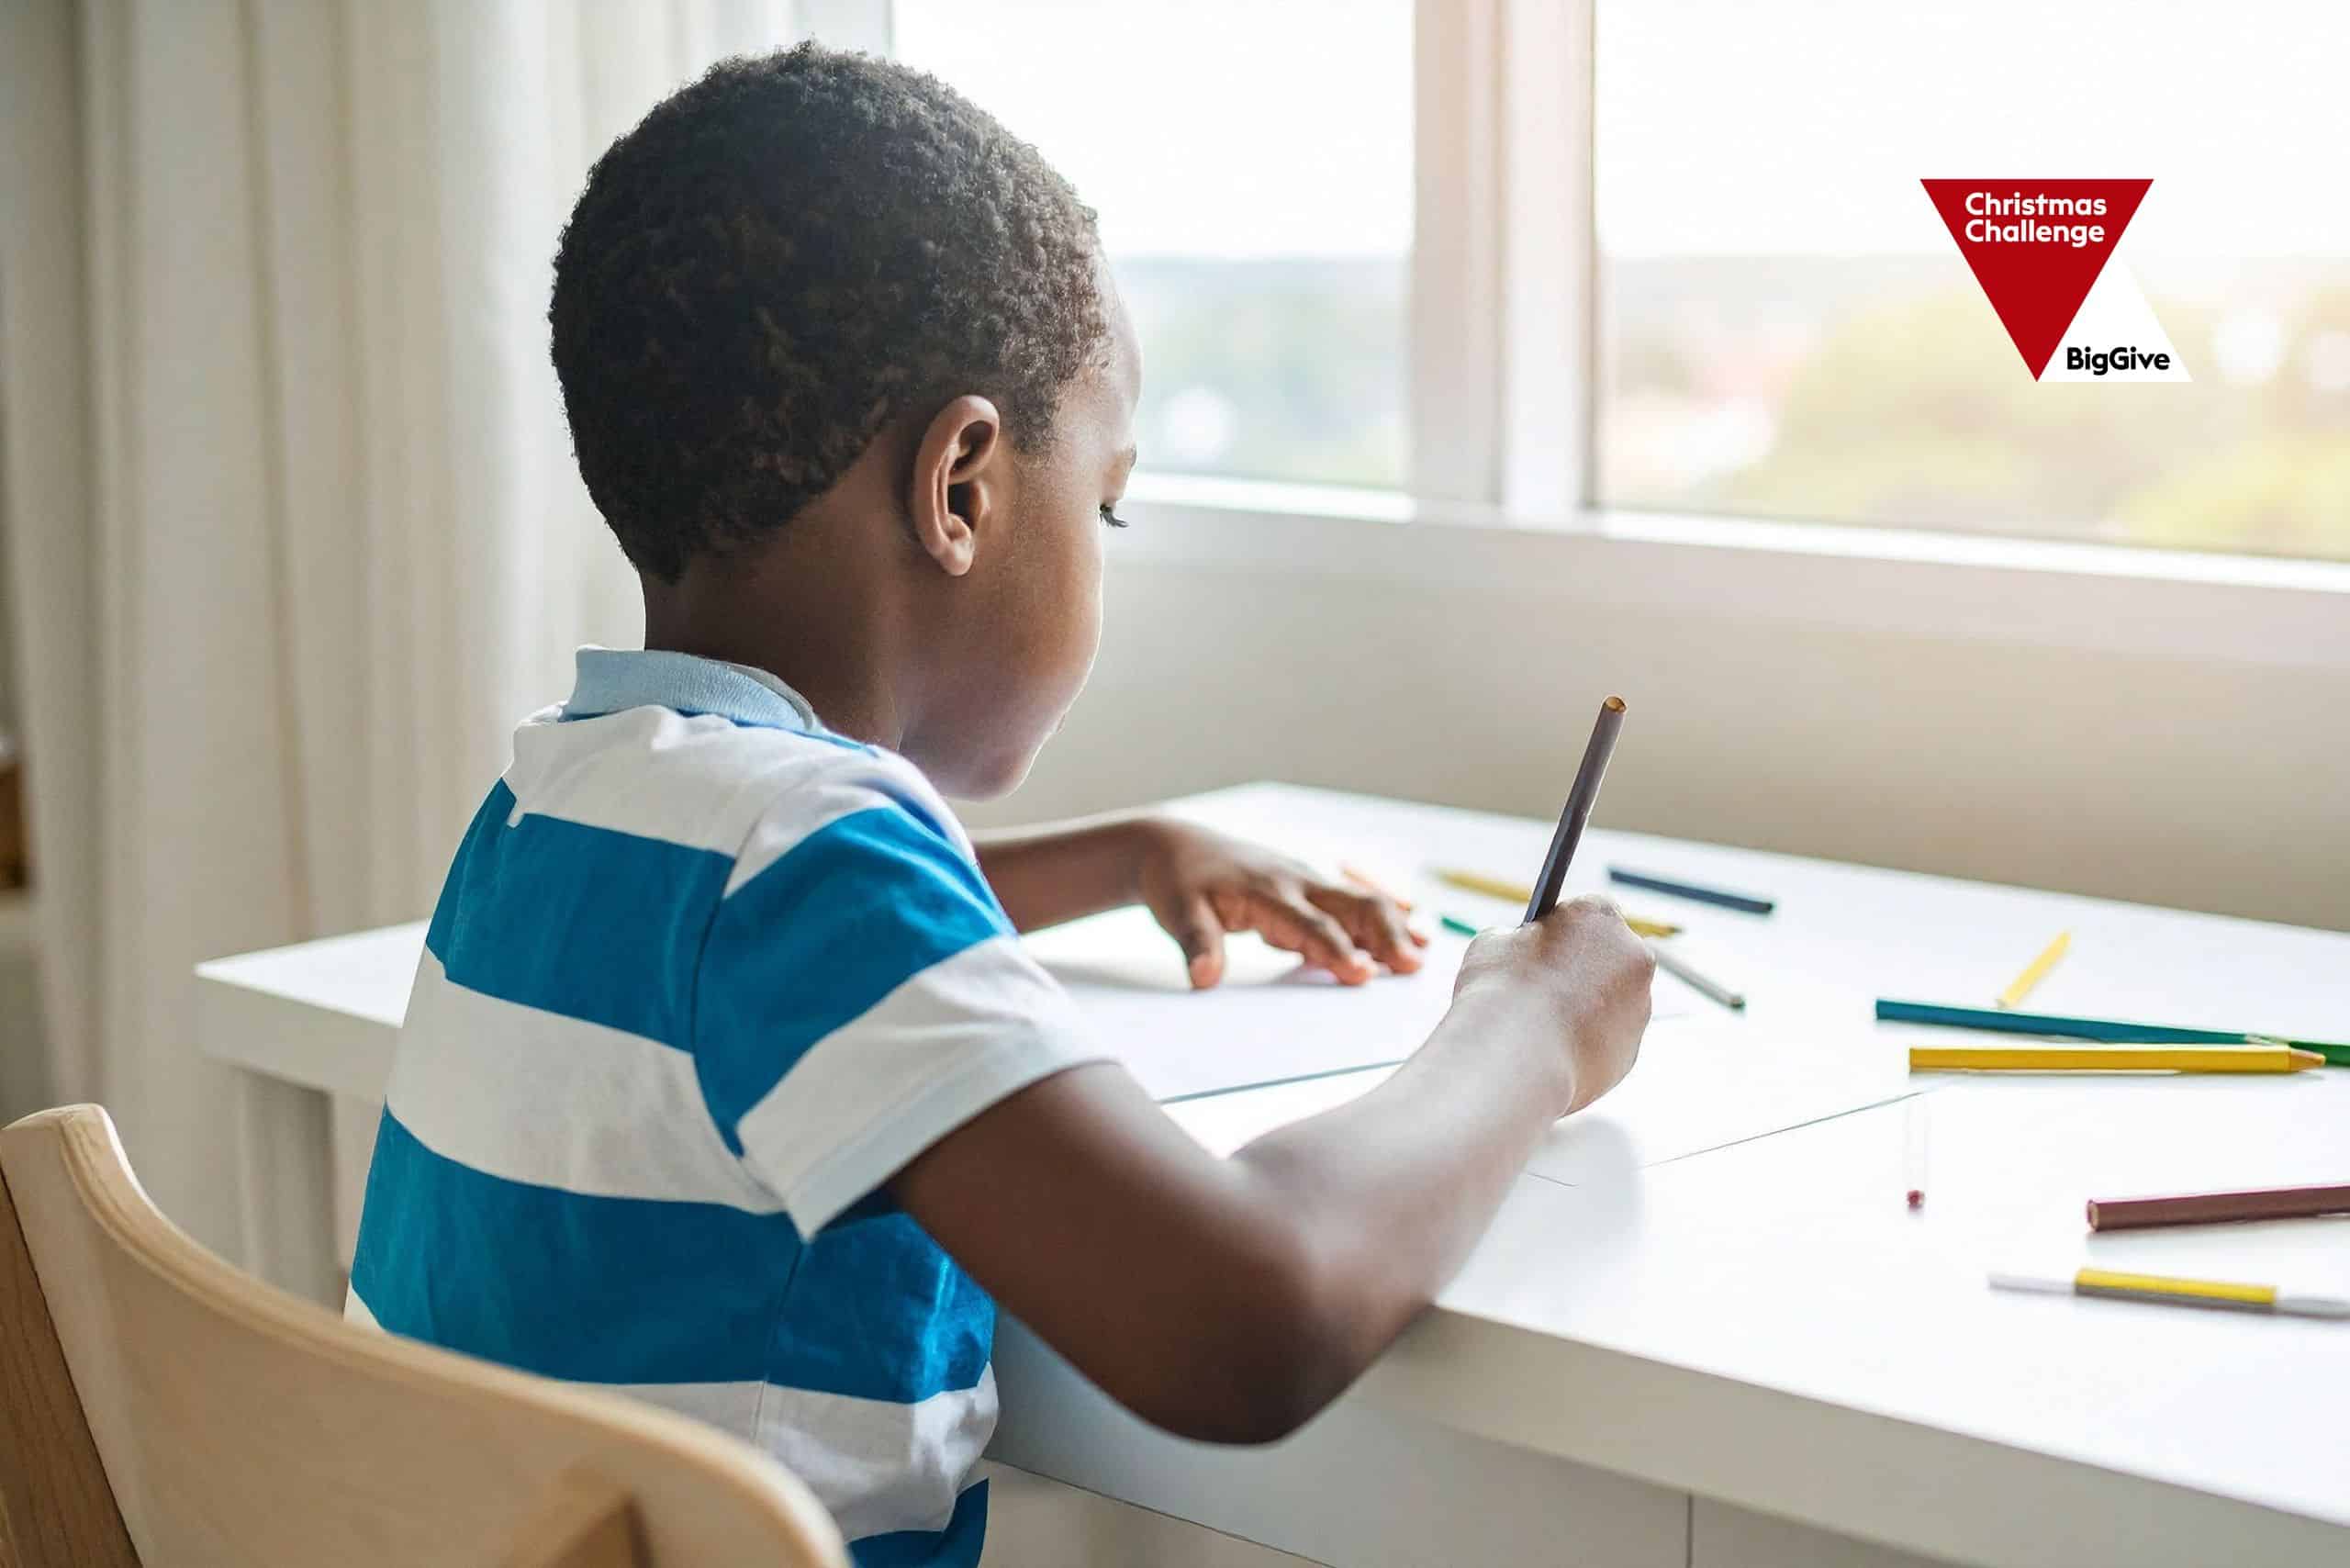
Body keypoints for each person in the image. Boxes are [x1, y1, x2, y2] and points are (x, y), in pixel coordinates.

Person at [348, 42, 1652, 1568]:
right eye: (1105, 504)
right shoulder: (810, 866)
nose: (1104, 544)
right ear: (961, 486)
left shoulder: (558, 796)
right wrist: (1528, 1027)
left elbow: (741, 956)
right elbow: (1250, 1313)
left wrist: (1126, 856)